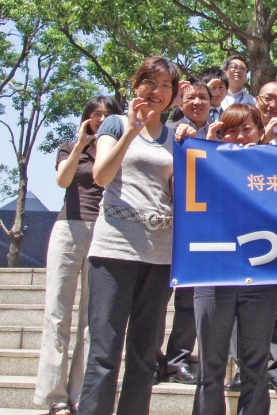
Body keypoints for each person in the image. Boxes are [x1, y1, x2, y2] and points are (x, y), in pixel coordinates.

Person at [77, 56, 180, 415]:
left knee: (143, 355)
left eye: (166, 85)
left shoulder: (173, 137)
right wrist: (133, 130)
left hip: (160, 254)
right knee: (105, 351)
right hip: (115, 249)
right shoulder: (115, 123)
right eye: (151, 82)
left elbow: (175, 191)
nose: (157, 91)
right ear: (136, 85)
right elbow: (101, 176)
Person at [178, 103, 277, 415]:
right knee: (211, 366)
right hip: (213, 277)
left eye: (246, 128)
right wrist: (204, 146)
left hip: (260, 280)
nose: (238, 136)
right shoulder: (203, 166)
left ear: (261, 132)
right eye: (230, 130)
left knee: (255, 366)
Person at [33, 96, 122, 415]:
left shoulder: (118, 151)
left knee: (92, 319)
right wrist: (80, 145)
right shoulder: (70, 147)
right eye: (95, 114)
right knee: (57, 313)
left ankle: (81, 393)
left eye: (107, 115)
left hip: (104, 232)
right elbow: (62, 180)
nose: (100, 119)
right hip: (68, 229)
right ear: (85, 118)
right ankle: (55, 396)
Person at [222, 84, 277, 393]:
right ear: (257, 101)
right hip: (235, 239)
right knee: (238, 308)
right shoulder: (228, 147)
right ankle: (243, 368)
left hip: (276, 238)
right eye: (268, 98)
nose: (273, 104)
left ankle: (275, 367)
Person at [153, 78, 214, 386]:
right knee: (154, 299)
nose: (197, 102)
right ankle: (150, 359)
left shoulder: (219, 135)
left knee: (189, 301)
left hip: (201, 229)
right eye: (191, 98)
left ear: (212, 102)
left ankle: (178, 359)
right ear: (180, 102)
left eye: (203, 97)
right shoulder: (167, 131)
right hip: (164, 225)